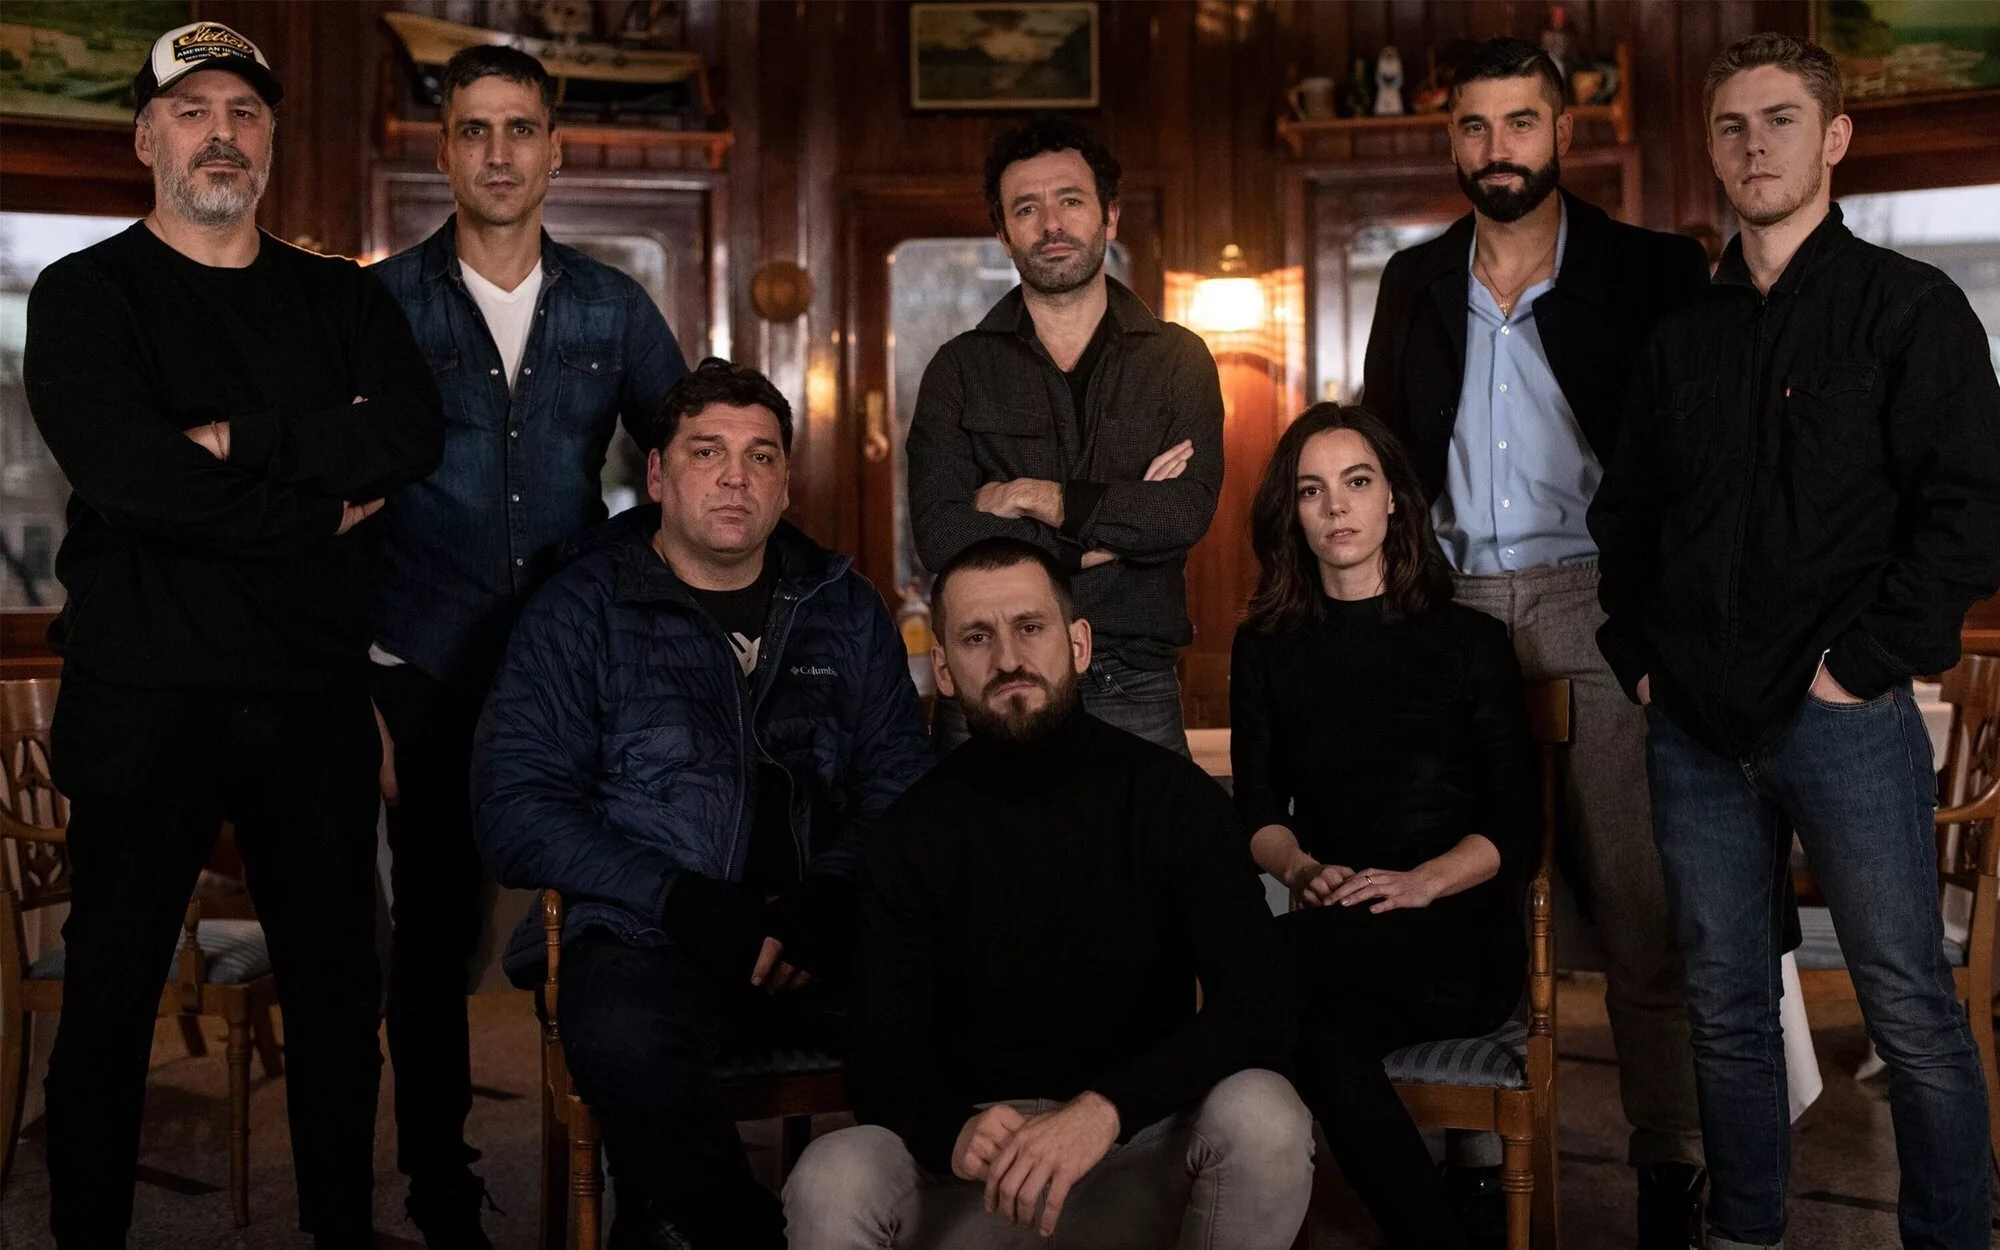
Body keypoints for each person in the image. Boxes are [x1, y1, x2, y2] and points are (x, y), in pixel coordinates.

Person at [20, 21, 445, 1247]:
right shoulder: (86, 295)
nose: (221, 132)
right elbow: (134, 481)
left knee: (338, 991)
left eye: (245, 111)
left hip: (310, 697)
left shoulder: (339, 295)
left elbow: (407, 434)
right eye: (192, 110)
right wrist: (315, 507)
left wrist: (236, 442)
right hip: (144, 694)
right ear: (145, 139)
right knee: (111, 994)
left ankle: (339, 1229)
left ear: (270, 141)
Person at [1591, 32, 2000, 1250]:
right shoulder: (1678, 335)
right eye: (1730, 125)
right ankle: (1744, 1233)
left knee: (1908, 1007)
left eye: (1779, 120)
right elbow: (1624, 518)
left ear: (1833, 139)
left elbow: (1970, 509)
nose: (1752, 145)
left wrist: (1855, 666)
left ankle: (1948, 1238)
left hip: (1842, 720)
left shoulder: (1907, 309)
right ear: (1711, 150)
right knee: (1723, 1009)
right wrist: (1639, 657)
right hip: (1692, 727)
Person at [1361, 36, 1711, 1243]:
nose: (1495, 147)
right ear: (1449, 139)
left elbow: (1695, 464)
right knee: (1469, 892)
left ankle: (1668, 1164)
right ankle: (1471, 1154)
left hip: (1594, 600)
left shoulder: (1651, 270)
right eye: (1473, 125)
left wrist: (1668, 620)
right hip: (1449, 606)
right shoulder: (1411, 279)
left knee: (1635, 894)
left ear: (1562, 131)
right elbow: (1385, 459)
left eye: (1519, 122)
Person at [471, 359, 933, 1248]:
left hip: (816, 929)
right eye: (707, 451)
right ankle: (735, 1232)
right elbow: (515, 808)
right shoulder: (581, 608)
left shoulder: (844, 604)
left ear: (786, 483)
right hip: (648, 933)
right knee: (624, 1039)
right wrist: (677, 899)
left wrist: (834, 893)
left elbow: (900, 781)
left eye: (761, 456)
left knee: (975, 998)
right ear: (656, 474)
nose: (735, 476)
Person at [369, 44, 688, 1244]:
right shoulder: (380, 305)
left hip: (568, 669)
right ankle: (440, 1183)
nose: (498, 153)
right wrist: (352, 687)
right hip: (420, 664)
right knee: (432, 933)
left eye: (519, 129)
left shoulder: (615, 306)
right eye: (474, 130)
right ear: (444, 150)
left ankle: (636, 1156)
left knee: (610, 915)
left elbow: (684, 457)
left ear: (554, 150)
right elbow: (333, 503)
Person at [785, 536, 1312, 1249]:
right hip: (980, 1179)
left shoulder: (1175, 801)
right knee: (831, 1173)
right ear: (945, 669)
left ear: (1079, 643)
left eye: (1030, 627)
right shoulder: (909, 833)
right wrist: (953, 1130)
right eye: (978, 637)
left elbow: (1259, 1003)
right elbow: (880, 1055)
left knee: (1266, 1115)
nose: (1008, 659)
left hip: (1135, 1148)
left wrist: (1104, 1110)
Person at [1233, 404, 1539, 1249]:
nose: (1336, 506)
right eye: (1311, 490)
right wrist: (1301, 870)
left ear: (1393, 499)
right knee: (1323, 1045)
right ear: (1292, 513)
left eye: (1356, 482)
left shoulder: (1469, 641)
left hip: (1457, 937)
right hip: (1338, 933)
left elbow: (1518, 825)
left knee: (1249, 970)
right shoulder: (1267, 647)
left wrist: (1420, 883)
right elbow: (1257, 816)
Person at [907, 116, 1224, 757]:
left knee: (1152, 830)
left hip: (1129, 674)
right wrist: (1095, 540)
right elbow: (940, 534)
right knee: (975, 830)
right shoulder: (958, 369)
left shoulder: (1179, 360)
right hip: (992, 674)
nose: (1051, 224)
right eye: (1027, 208)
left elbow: (1182, 513)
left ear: (1110, 217)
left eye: (1070, 201)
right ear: (1004, 234)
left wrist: (1029, 496)